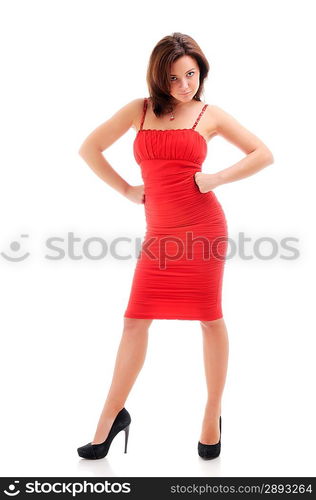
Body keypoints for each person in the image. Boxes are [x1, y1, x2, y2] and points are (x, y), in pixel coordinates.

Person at [77, 32, 274, 460]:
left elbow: (263, 153)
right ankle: (109, 419)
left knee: (208, 318)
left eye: (191, 73)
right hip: (160, 236)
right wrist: (127, 190)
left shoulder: (209, 113)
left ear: (200, 71)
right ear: (157, 78)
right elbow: (89, 148)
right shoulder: (139, 110)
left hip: (203, 228)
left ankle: (212, 412)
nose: (185, 84)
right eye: (174, 77)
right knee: (134, 320)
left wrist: (217, 178)